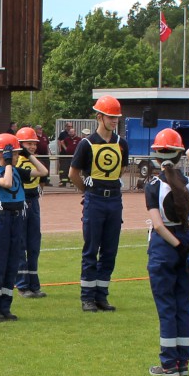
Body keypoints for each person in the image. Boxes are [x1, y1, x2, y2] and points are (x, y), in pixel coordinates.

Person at [145, 128, 189, 376]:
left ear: (156, 156)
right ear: (180, 154)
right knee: (184, 306)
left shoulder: (153, 185)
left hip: (164, 246)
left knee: (167, 307)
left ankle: (168, 364)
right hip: (188, 240)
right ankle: (183, 362)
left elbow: (158, 224)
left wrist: (178, 248)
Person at [69, 95, 129, 312]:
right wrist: (88, 190)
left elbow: (121, 169)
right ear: (99, 117)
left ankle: (102, 295)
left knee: (110, 250)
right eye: (111, 117)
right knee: (91, 249)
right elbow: (73, 173)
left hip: (114, 198)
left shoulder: (121, 143)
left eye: (117, 118)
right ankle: (87, 297)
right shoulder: (86, 144)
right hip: (95, 199)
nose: (114, 121)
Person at [0, 133, 47, 322]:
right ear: (4, 154)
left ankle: (5, 307)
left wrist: (29, 155)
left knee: (12, 265)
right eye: (15, 152)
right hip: (2, 220)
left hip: (17, 218)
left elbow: (42, 172)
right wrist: (9, 163)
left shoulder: (18, 170)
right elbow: (7, 183)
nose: (18, 155)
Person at [14, 127, 49, 298]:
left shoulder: (36, 161)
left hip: (33, 202)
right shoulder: (16, 162)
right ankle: (22, 284)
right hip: (20, 203)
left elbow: (43, 178)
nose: (33, 147)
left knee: (34, 244)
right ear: (20, 144)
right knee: (20, 244)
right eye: (29, 143)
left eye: (34, 143)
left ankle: (34, 284)